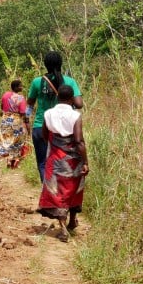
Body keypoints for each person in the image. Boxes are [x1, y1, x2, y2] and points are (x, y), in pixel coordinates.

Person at [37, 84, 89, 242]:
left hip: (56, 158)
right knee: (74, 189)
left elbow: (45, 135)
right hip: (73, 159)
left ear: (57, 97)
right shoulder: (75, 116)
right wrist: (85, 161)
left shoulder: (48, 113)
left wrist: (56, 147)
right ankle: (72, 220)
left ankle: (63, 227)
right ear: (72, 99)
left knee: (58, 191)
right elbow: (79, 141)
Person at [26, 51, 83, 182]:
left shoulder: (37, 82)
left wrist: (26, 120)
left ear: (45, 65)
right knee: (63, 161)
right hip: (64, 129)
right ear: (60, 64)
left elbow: (29, 104)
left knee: (43, 163)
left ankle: (47, 192)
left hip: (40, 126)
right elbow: (79, 104)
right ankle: (62, 193)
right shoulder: (69, 81)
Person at [0, 79, 30, 169]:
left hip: (5, 119)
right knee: (16, 140)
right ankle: (14, 161)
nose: (21, 87)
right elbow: (23, 112)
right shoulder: (20, 98)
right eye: (20, 86)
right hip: (16, 120)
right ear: (16, 87)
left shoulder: (5, 95)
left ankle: (8, 159)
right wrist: (27, 122)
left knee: (7, 139)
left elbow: (2, 107)